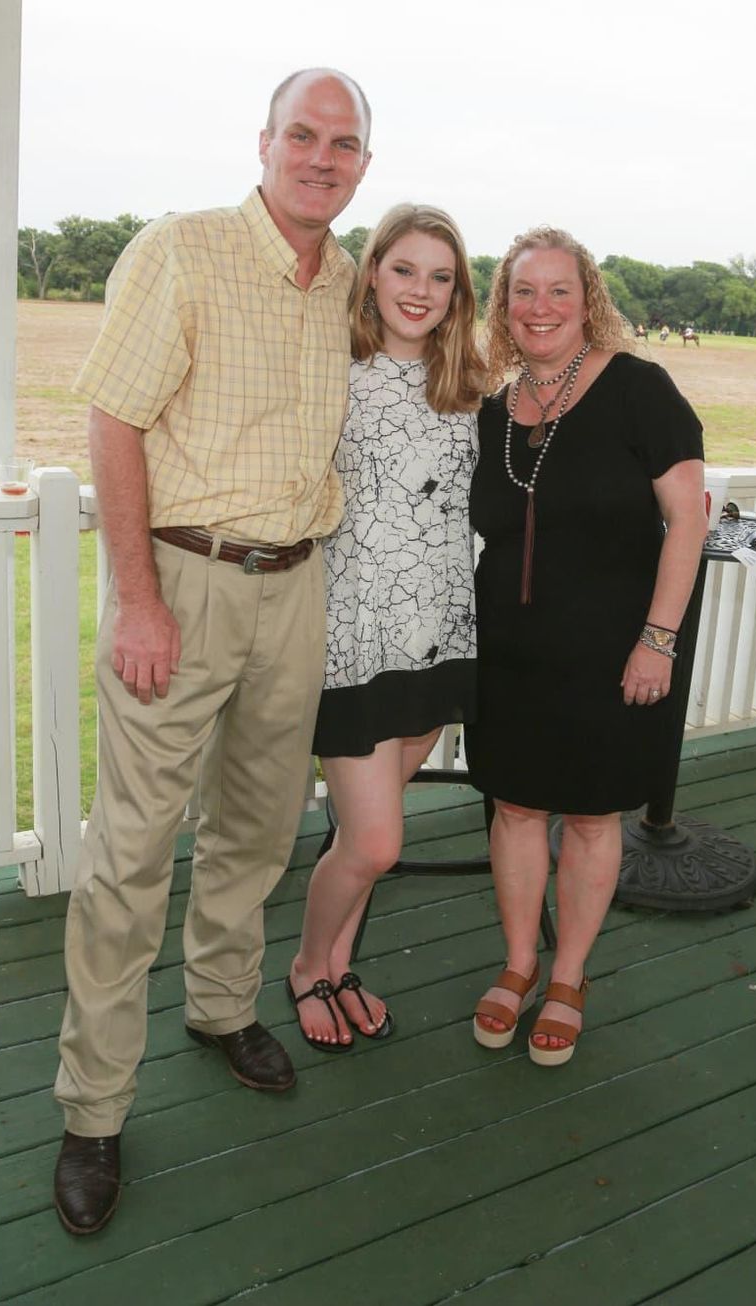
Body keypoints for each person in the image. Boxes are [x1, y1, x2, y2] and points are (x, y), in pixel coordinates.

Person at [51, 68, 371, 1236]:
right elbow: (114, 420)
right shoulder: (179, 249)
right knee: (133, 848)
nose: (321, 156)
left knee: (258, 820)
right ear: (266, 142)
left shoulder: (343, 279)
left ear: (360, 167)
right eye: (303, 134)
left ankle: (224, 1004)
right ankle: (92, 1109)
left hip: (295, 583)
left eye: (343, 143)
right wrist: (136, 599)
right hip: (178, 581)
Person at [465, 228, 707, 1067]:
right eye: (523, 292)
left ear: (587, 299)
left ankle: (568, 975)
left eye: (558, 290)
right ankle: (520, 961)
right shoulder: (496, 408)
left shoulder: (640, 389)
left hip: (612, 652)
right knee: (518, 807)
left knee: (593, 814)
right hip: (511, 653)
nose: (540, 308)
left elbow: (688, 519)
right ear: (504, 305)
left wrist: (658, 640)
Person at [287, 205, 486, 1050]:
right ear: (372, 272)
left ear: (457, 294)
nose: (421, 291)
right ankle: (304, 968)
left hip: (438, 632)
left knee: (366, 832)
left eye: (440, 277)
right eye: (405, 269)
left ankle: (338, 966)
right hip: (355, 636)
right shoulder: (333, 366)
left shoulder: (469, 388)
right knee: (374, 841)